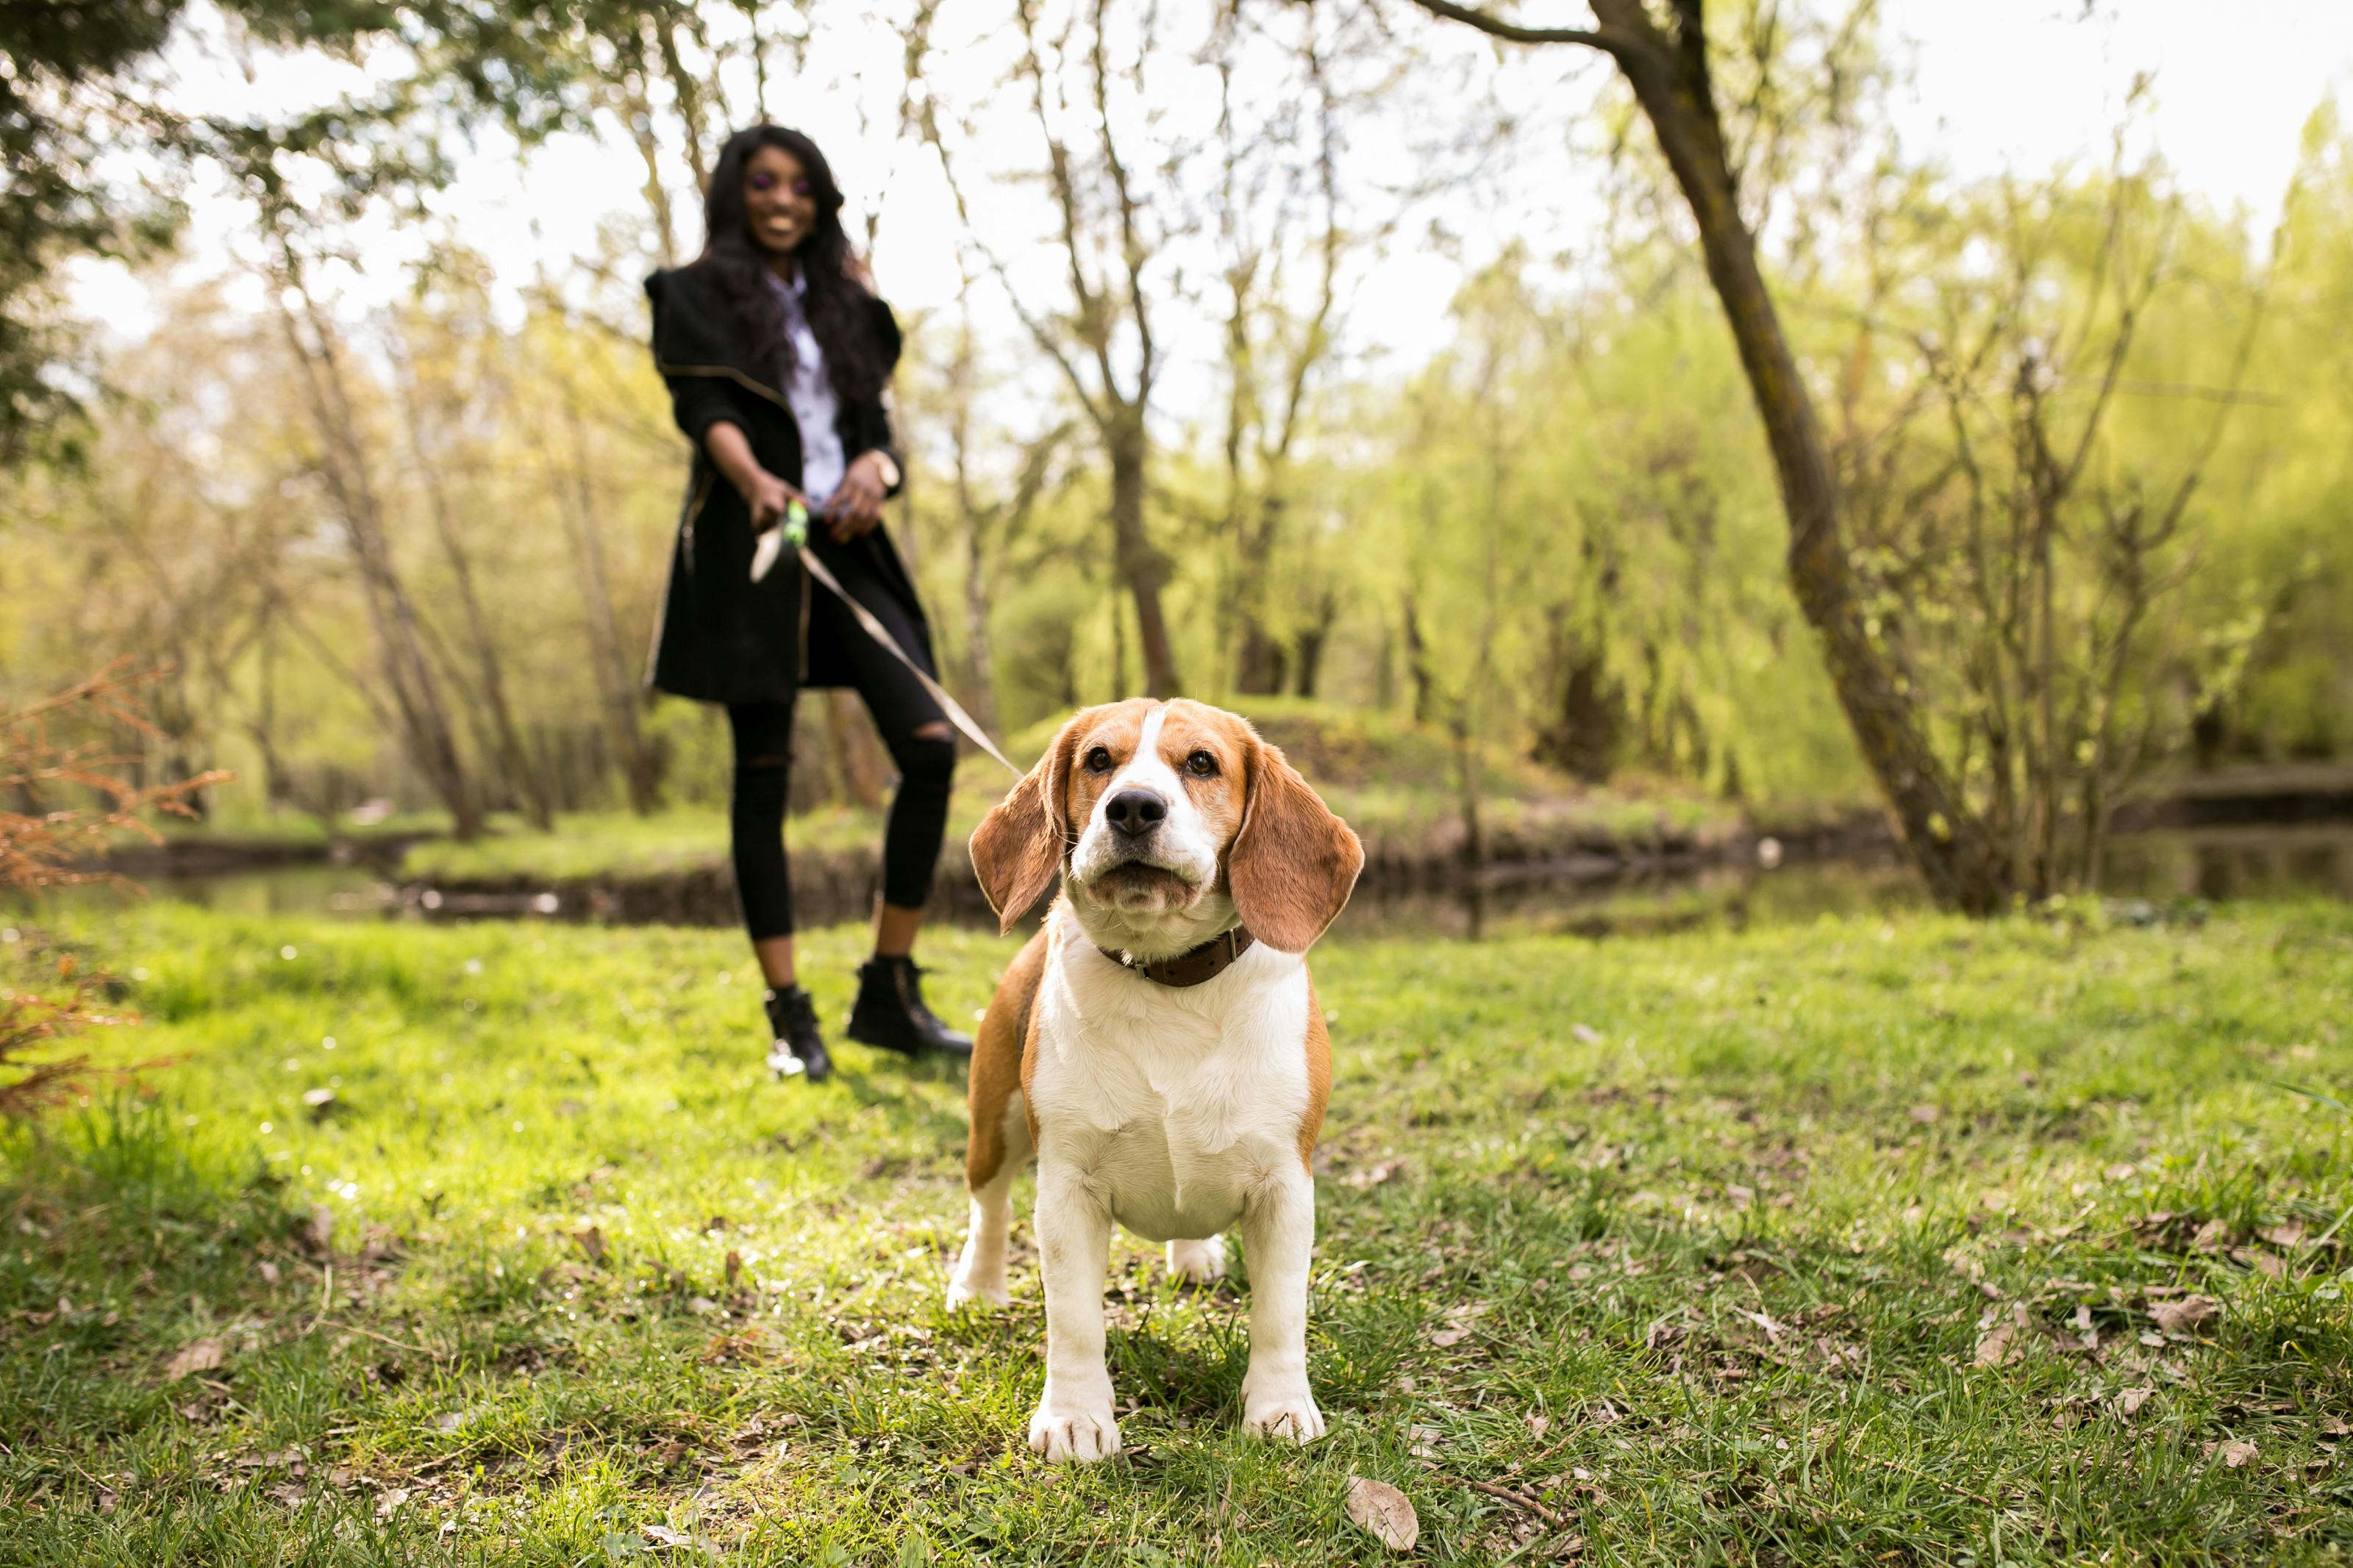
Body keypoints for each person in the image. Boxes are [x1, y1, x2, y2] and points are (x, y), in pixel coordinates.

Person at [644, 124, 972, 1084]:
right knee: (764, 770)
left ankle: (890, 991)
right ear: (736, 194)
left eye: (800, 185)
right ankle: (790, 1017)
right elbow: (705, 413)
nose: (782, 199)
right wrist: (752, 478)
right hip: (759, 542)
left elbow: (876, 430)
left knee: (929, 744)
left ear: (819, 197)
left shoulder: (847, 302)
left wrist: (878, 466)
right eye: (764, 183)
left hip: (850, 541)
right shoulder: (694, 294)